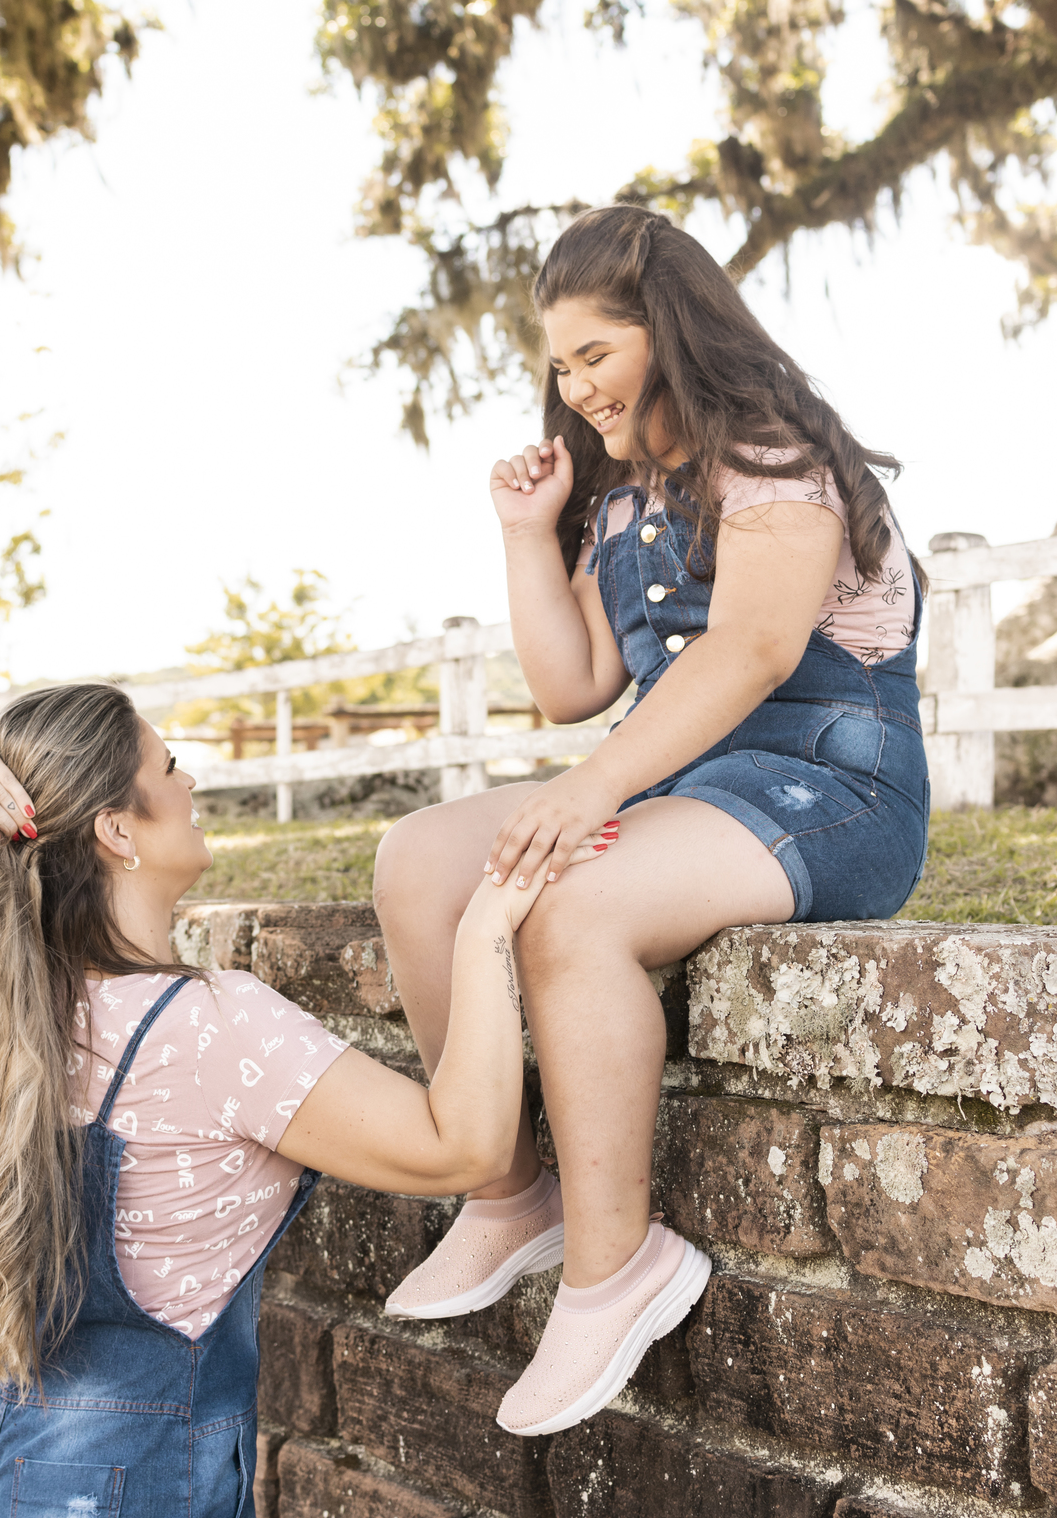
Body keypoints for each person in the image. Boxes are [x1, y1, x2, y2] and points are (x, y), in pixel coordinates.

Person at [372, 204, 929, 1438]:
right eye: (558, 365)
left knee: (570, 902)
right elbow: (569, 683)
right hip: (686, 784)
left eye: (595, 357)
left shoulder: (773, 453)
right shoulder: (621, 501)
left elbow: (753, 648)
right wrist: (528, 533)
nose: (573, 389)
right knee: (419, 864)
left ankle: (618, 1266)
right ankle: (512, 1193)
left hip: (832, 783)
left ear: (667, 330)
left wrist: (591, 791)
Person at [0, 681, 618, 1518]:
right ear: (117, 831)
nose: (192, 775)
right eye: (168, 767)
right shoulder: (212, 1026)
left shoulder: (21, 1011)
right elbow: (461, 1146)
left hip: (48, 1485)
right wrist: (484, 926)